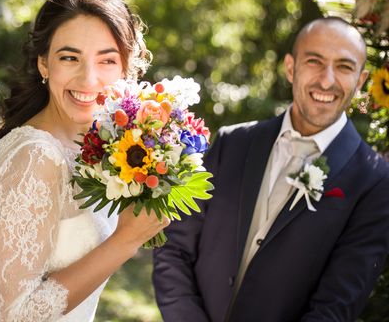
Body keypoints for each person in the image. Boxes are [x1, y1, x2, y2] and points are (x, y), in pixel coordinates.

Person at [0, 0, 169, 322]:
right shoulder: (34, 156)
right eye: (70, 58)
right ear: (44, 63)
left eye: (106, 60)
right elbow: (18, 314)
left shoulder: (103, 145)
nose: (88, 79)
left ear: (127, 67)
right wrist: (125, 242)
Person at [153, 17, 389, 322]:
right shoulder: (232, 143)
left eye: (344, 67)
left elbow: (337, 305)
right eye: (314, 61)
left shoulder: (374, 182)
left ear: (360, 81)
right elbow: (173, 248)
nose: (327, 80)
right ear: (291, 68)